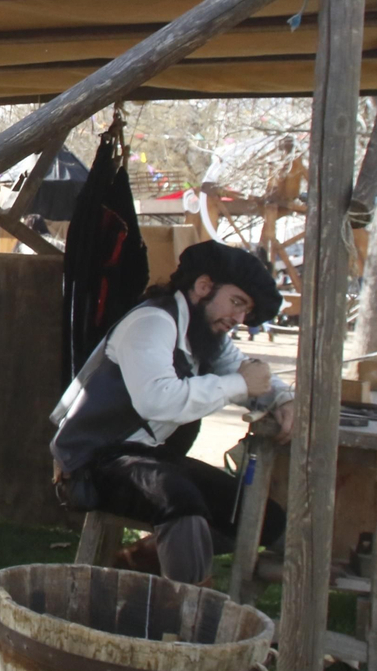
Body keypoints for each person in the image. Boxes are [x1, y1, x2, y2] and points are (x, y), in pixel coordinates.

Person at [49, 241, 293, 584]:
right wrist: (239, 384)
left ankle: (139, 561)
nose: (239, 319)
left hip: (144, 456)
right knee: (179, 500)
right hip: (90, 462)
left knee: (254, 512)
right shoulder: (151, 323)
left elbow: (246, 373)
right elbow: (158, 400)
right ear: (204, 287)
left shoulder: (206, 332)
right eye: (237, 303)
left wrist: (284, 399)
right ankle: (188, 614)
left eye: (245, 311)